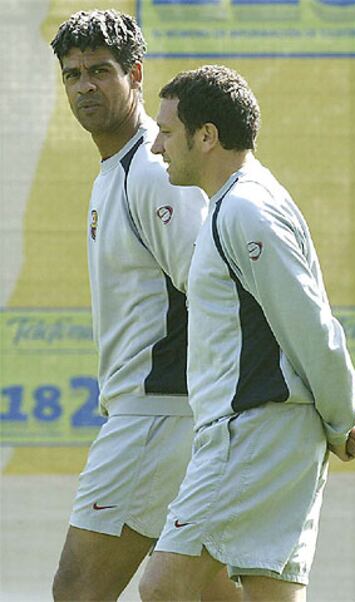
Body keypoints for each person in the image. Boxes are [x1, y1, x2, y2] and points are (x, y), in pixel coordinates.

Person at [139, 65, 355, 601]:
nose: (156, 147)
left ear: (206, 136)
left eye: (167, 132)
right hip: (269, 433)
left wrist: (342, 417)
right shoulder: (240, 201)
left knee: (165, 587)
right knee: (248, 595)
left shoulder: (245, 209)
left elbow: (310, 323)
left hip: (255, 433)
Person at [50, 13, 239, 601]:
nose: (85, 86)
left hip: (157, 416)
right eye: (73, 74)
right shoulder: (117, 172)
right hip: (173, 418)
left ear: (134, 75)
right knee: (207, 594)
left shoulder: (153, 173)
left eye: (100, 71)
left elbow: (215, 286)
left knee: (77, 590)